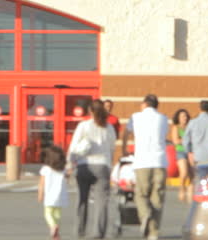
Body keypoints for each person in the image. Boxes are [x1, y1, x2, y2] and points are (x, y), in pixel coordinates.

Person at [120, 94, 168, 240]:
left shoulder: (135, 117)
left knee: (141, 194)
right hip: (159, 161)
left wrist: (124, 149)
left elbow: (126, 133)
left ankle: (145, 214)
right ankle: (153, 233)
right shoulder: (163, 118)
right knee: (157, 197)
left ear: (145, 104)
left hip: (142, 162)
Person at [67, 99, 116, 239]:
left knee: (82, 199)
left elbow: (73, 146)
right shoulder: (109, 127)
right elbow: (112, 148)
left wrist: (69, 165)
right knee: (101, 202)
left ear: (90, 111)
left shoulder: (84, 125)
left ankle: (79, 231)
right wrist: (110, 166)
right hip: (102, 166)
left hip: (84, 165)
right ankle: (98, 233)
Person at [38, 146, 69, 240]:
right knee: (57, 214)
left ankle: (53, 226)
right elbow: (67, 178)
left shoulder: (46, 169)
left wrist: (40, 194)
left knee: (48, 213)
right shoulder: (63, 170)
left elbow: (41, 184)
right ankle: (56, 231)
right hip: (61, 196)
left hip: (50, 196)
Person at [170, 108, 192, 201]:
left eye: (186, 116)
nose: (185, 118)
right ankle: (182, 190)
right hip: (181, 152)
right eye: (183, 116)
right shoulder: (176, 127)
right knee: (184, 173)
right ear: (178, 118)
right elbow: (175, 141)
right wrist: (186, 141)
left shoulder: (190, 127)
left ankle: (190, 194)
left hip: (190, 151)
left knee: (192, 174)